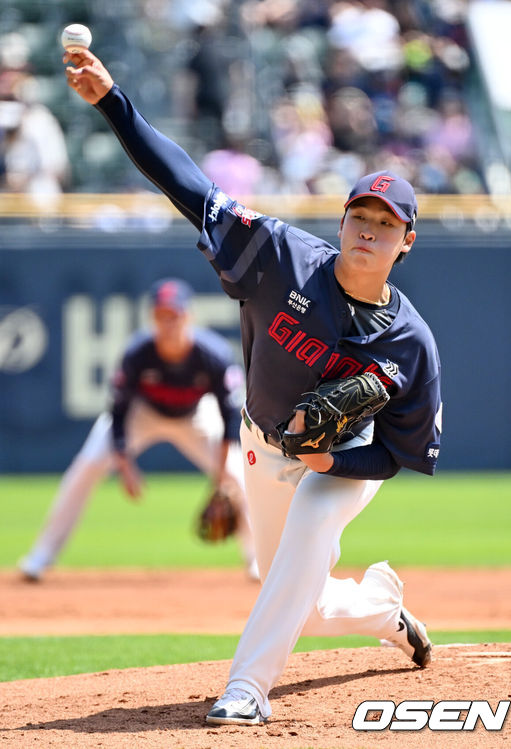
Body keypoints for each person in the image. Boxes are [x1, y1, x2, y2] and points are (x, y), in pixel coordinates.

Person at [61, 49, 442, 726]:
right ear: (343, 219)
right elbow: (189, 188)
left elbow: (400, 453)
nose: (369, 230)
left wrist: (337, 461)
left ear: (406, 242)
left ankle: (247, 688)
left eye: (386, 224)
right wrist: (112, 101)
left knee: (314, 520)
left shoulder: (410, 344)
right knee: (303, 593)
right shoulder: (278, 257)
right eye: (362, 215)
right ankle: (385, 610)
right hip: (262, 442)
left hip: (344, 459)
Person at [19, 277, 258, 582]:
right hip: (141, 414)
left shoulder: (213, 354)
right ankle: (41, 556)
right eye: (162, 315)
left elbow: (229, 417)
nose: (169, 322)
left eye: (175, 315)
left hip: (196, 415)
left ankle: (256, 559)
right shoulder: (138, 352)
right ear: (152, 318)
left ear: (189, 316)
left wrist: (220, 473)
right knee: (86, 466)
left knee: (239, 475)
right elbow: (118, 412)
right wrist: (124, 463)